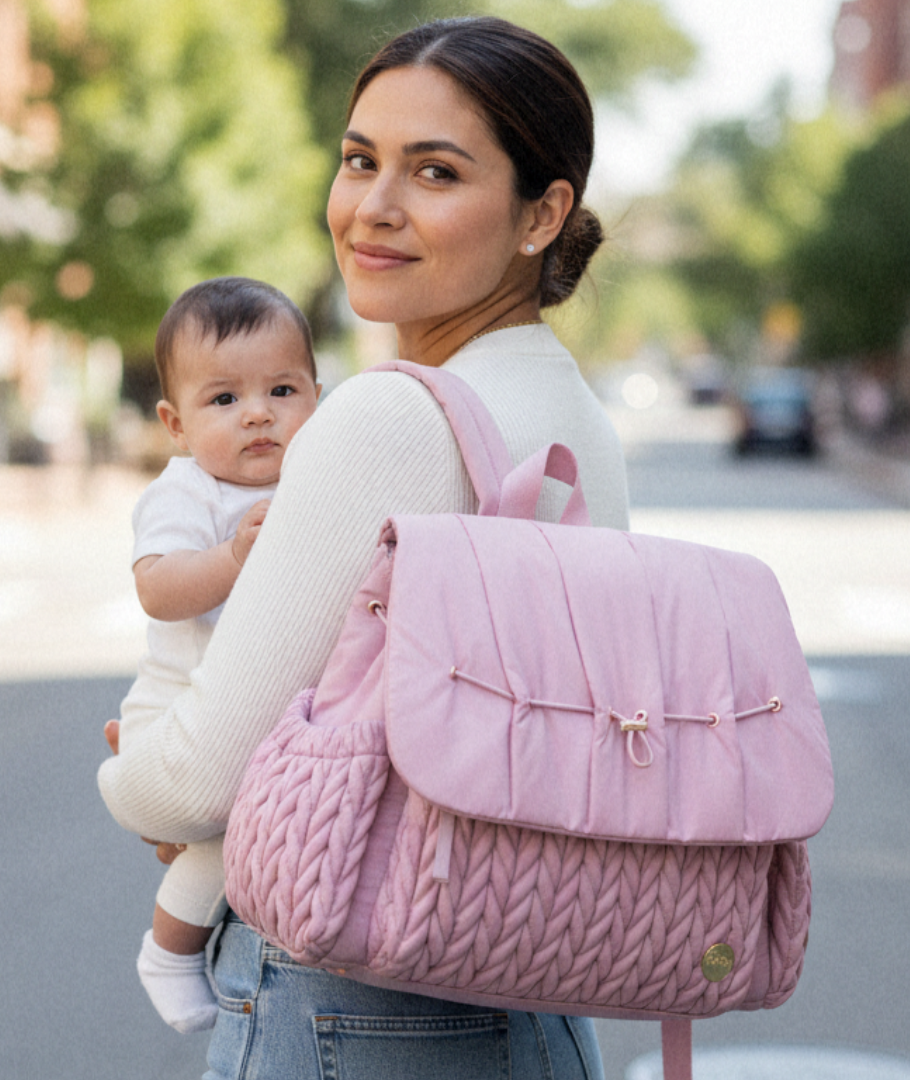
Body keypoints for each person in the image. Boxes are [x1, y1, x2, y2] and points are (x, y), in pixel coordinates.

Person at [99, 16, 629, 1078]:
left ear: (541, 213)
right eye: (358, 160)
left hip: (355, 1006)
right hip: (527, 996)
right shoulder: (569, 407)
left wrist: (131, 781)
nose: (373, 207)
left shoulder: (391, 417)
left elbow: (198, 782)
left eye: (435, 171)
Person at [107, 276, 321, 1033]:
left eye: (283, 390)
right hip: (177, 714)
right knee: (234, 828)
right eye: (224, 399)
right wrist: (232, 556)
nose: (258, 413)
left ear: (318, 398)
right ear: (175, 423)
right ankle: (169, 951)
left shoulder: (314, 482)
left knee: (257, 824)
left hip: (253, 717)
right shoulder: (187, 494)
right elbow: (158, 589)